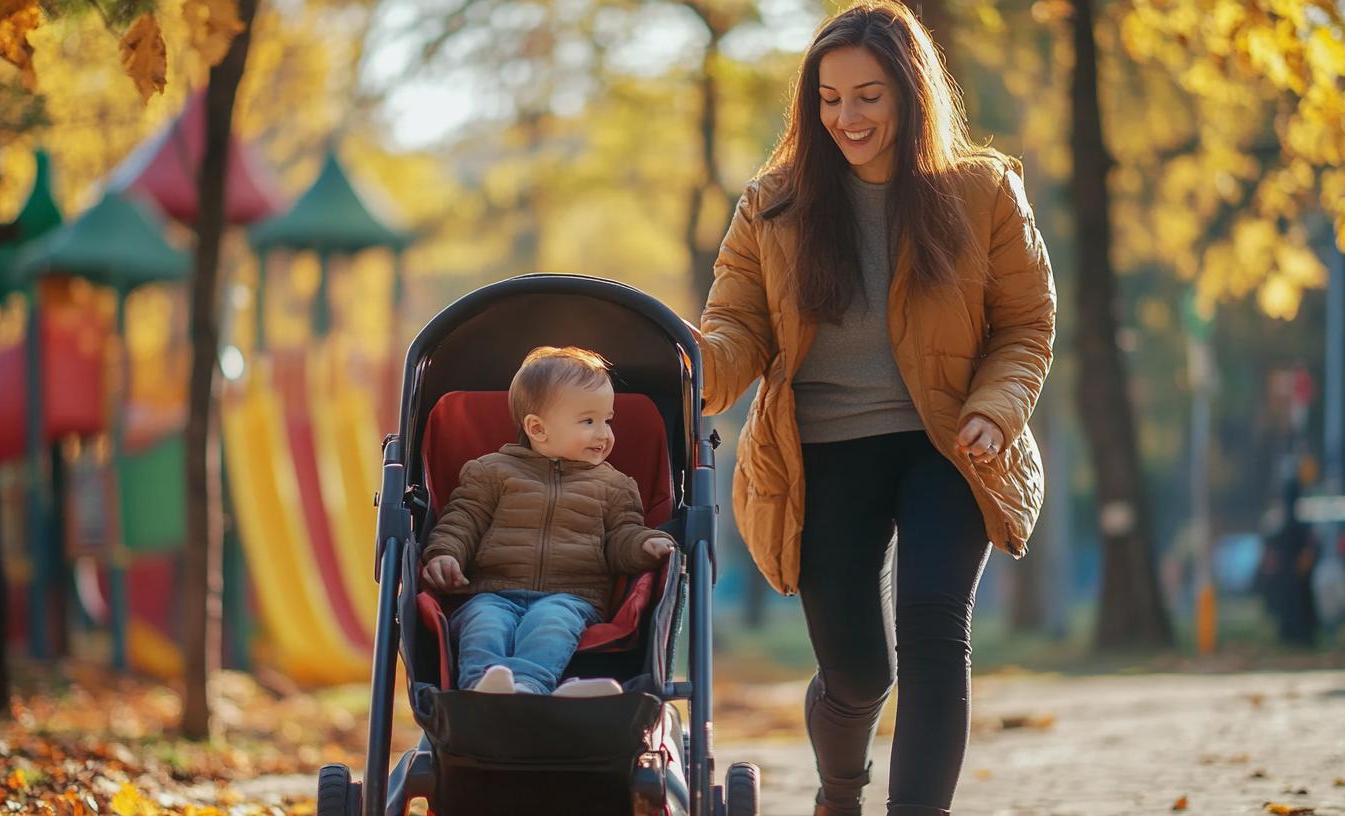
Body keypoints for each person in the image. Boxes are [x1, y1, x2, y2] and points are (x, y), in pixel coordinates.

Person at [694, 4, 1055, 814]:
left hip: (948, 440)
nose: (846, 118)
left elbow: (1026, 325)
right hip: (822, 450)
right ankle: (839, 790)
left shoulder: (981, 192)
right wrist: (692, 364)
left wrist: (997, 410)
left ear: (910, 93)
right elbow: (735, 330)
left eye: (868, 96)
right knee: (858, 672)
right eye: (828, 99)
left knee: (934, 636)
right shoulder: (773, 205)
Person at [421, 346, 673, 697]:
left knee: (551, 624)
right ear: (538, 428)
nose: (604, 434)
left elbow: (621, 537)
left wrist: (643, 544)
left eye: (608, 420)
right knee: (484, 623)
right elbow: (462, 520)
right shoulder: (491, 472)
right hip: (492, 590)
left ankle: (528, 686)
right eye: (588, 421)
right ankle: (481, 688)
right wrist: (444, 553)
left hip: (571, 596)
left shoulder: (614, 485)